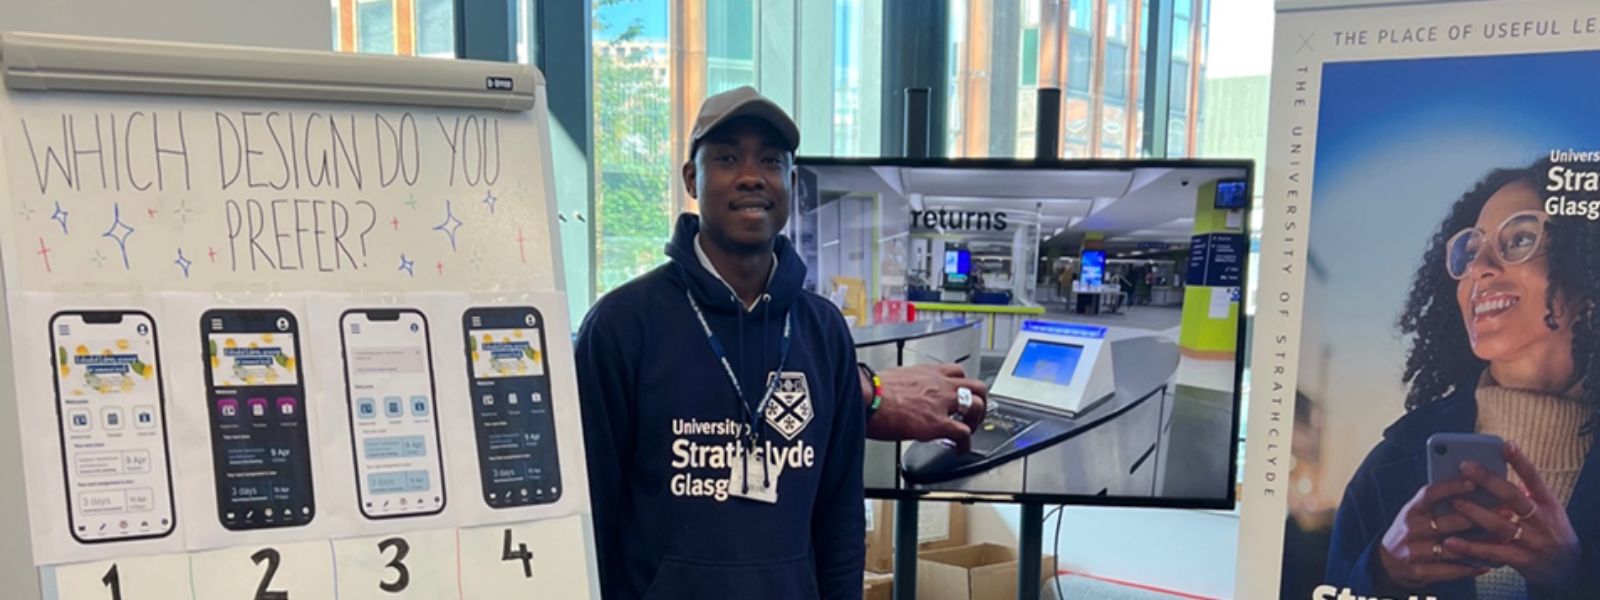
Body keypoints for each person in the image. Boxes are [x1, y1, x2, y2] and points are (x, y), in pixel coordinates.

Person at [576, 86, 988, 600]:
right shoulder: (620, 327)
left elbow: (838, 519)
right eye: (726, 157)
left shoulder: (822, 332)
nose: (751, 175)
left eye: (770, 160)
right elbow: (589, 520)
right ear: (691, 178)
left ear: (790, 182)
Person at [1324, 159, 1600, 599]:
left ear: (1587, 267)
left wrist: (1574, 580)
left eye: (1520, 239)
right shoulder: (1386, 468)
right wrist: (1382, 575)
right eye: (1470, 251)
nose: (1480, 268)